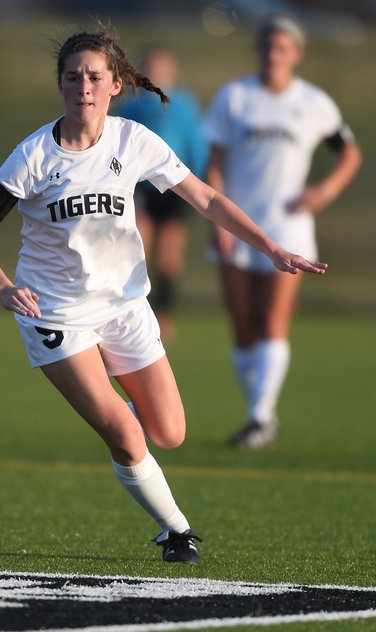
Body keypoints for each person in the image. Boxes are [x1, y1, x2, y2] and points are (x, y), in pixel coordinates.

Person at [0, 28, 326, 564]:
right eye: (72, 76)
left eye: (94, 77)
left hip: (125, 305)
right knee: (127, 437)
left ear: (115, 85)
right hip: (54, 310)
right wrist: (2, 286)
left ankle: (123, 415)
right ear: (59, 85)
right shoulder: (32, 155)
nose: (82, 86)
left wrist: (271, 247)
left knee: (170, 433)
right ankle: (176, 532)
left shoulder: (134, 141)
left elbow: (204, 198)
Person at [204, 15, 361, 449]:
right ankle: (255, 412)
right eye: (267, 47)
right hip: (236, 223)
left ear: (296, 54)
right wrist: (217, 220)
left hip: (287, 226)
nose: (273, 55)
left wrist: (322, 193)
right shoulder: (235, 97)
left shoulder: (314, 102)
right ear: (258, 51)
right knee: (242, 322)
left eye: (282, 48)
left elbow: (349, 153)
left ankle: (261, 416)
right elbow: (213, 162)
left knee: (273, 320)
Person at [114, 46, 208, 340]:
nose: (156, 74)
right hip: (140, 186)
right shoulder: (132, 105)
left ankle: (163, 314)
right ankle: (132, 310)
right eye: (150, 67)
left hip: (175, 186)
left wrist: (198, 179)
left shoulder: (184, 103)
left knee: (169, 255)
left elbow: (195, 143)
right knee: (137, 246)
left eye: (162, 68)